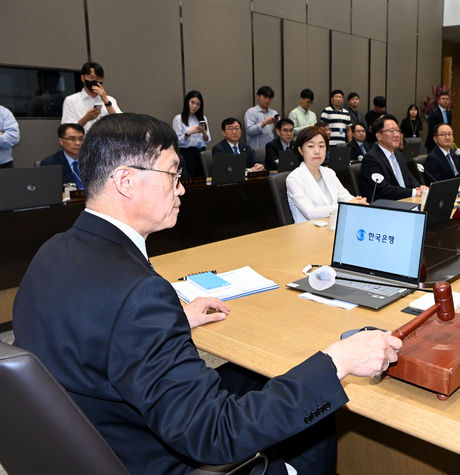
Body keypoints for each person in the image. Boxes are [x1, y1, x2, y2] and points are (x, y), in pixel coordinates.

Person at [13, 112, 401, 475]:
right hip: (153, 459)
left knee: (250, 374)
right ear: (125, 180)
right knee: (317, 419)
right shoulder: (139, 295)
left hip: (97, 440)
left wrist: (171, 320)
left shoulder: (53, 251)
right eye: (172, 174)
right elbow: (215, 436)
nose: (182, 188)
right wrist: (337, 360)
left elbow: (90, 328)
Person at [286, 126, 367, 223]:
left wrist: (358, 202)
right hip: (307, 232)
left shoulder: (329, 172)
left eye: (321, 146)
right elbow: (310, 213)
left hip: (331, 226)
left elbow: (345, 196)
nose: (317, 151)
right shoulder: (294, 178)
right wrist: (346, 206)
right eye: (310, 146)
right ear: (300, 150)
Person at [360, 115, 426, 201]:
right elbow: (384, 189)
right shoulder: (371, 158)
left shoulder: (399, 155)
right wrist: (413, 192)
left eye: (398, 130)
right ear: (379, 136)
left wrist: (420, 187)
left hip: (406, 201)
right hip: (385, 206)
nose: (397, 135)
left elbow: (409, 178)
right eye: (391, 131)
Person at [61, 62, 121, 131]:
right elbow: (67, 130)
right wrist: (86, 118)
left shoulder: (110, 99)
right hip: (83, 141)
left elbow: (119, 123)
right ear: (83, 78)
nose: (95, 81)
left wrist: (106, 101)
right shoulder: (71, 100)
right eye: (91, 77)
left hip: (106, 140)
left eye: (98, 78)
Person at [172, 90, 211, 178]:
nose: (194, 106)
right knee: (189, 179)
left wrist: (203, 131)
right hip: (187, 153)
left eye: (198, 104)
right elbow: (177, 141)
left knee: (202, 178)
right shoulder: (179, 118)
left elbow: (208, 140)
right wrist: (189, 132)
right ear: (187, 102)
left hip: (201, 152)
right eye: (192, 102)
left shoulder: (202, 118)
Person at [40, 123, 85, 188]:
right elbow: (50, 191)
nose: (78, 143)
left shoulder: (92, 161)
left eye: (81, 139)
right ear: (61, 141)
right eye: (72, 139)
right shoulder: (51, 164)